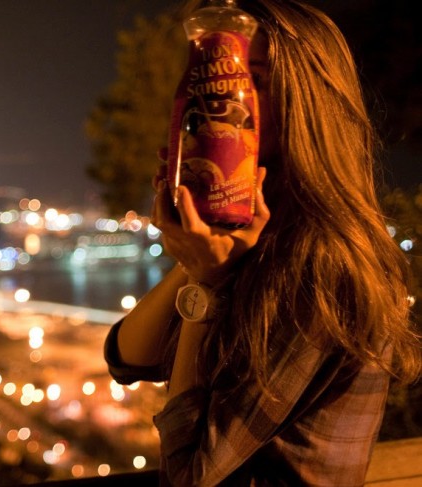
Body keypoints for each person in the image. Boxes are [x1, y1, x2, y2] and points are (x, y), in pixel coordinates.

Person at [103, 0, 421, 485]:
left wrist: (206, 286)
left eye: (250, 84)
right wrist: (193, 260)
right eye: (213, 83)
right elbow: (127, 358)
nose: (221, 106)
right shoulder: (254, 235)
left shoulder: (322, 264)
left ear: (307, 106)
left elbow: (190, 477)